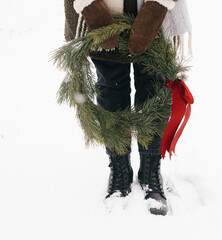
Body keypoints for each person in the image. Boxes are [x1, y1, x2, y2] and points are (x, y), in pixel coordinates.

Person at [63, 0, 191, 216]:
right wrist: (89, 5)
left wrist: (158, 5)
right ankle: (119, 168)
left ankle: (150, 170)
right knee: (111, 86)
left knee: (152, 84)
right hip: (105, 10)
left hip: (154, 10)